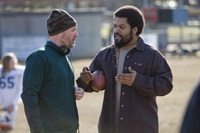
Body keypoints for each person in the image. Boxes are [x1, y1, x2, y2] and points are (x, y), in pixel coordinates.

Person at [76, 5, 173, 133]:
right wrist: (85, 80)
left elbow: (166, 84)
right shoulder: (105, 55)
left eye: (122, 27)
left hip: (141, 128)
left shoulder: (151, 55)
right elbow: (87, 84)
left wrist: (138, 80)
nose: (116, 30)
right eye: (115, 26)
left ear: (134, 29)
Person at [21, 9, 84, 133]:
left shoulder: (64, 57)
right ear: (60, 32)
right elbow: (29, 96)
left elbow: (54, 89)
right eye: (73, 30)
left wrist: (74, 91)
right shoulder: (39, 57)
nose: (76, 34)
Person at [0, 52, 24, 131]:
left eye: (15, 61)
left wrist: (13, 104)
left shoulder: (19, 71)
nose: (15, 63)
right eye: (12, 62)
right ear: (6, 63)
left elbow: (19, 89)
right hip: (1, 101)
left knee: (8, 127)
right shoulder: (1, 70)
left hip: (11, 104)